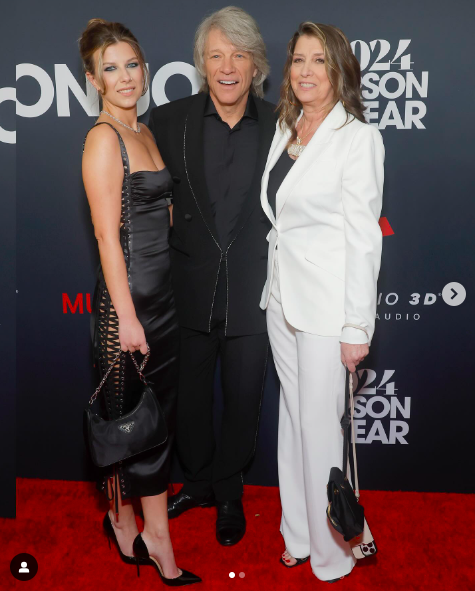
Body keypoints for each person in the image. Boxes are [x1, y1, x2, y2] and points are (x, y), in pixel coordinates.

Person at [259, 22, 384, 582]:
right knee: (293, 419)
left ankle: (334, 552)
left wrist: (356, 325)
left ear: (339, 71)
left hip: (328, 310)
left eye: (319, 60)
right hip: (281, 298)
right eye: (298, 59)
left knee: (318, 426)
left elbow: (363, 238)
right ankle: (300, 532)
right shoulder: (289, 125)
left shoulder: (358, 137)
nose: (306, 71)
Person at [148, 7, 276, 546]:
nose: (227, 67)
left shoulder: (283, 125)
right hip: (189, 286)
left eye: (239, 55)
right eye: (216, 55)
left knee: (244, 400)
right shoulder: (168, 120)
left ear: (256, 65)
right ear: (201, 63)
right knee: (191, 398)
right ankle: (197, 481)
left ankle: (228, 491)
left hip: (255, 291)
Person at [80, 19, 200, 586]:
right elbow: (107, 238)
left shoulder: (146, 132)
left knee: (152, 420)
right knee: (130, 424)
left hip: (165, 299)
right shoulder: (103, 139)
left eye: (132, 64)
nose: (125, 77)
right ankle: (149, 534)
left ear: (144, 69)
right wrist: (126, 318)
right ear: (93, 80)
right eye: (111, 68)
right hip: (127, 309)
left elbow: (163, 220)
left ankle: (125, 518)